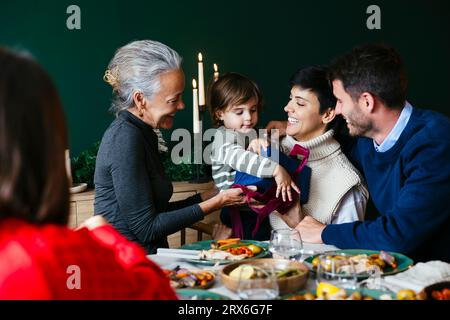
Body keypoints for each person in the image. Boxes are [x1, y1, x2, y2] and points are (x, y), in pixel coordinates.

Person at [0, 47, 176, 299]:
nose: (180, 105)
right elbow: (156, 293)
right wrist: (107, 239)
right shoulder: (59, 257)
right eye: (173, 99)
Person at [268, 44, 450, 262]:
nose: (338, 111)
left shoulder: (435, 142)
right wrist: (288, 127)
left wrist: (323, 232)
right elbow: (327, 137)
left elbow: (398, 234)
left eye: (341, 101)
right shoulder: (366, 139)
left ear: (367, 101)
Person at [94, 40, 245, 254]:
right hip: (127, 270)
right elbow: (147, 229)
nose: (182, 105)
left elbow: (157, 212)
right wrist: (218, 202)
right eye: (174, 100)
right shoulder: (125, 139)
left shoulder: (143, 131)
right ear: (140, 99)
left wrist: (208, 195)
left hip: (151, 261)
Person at [269, 66, 368, 231]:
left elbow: (348, 253)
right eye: (290, 98)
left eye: (300, 103)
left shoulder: (346, 184)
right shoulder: (268, 147)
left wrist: (298, 222)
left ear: (328, 114)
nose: (287, 108)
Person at [208, 72, 299, 240]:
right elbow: (240, 159)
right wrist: (276, 170)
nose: (248, 117)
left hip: (254, 206)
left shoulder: (249, 133)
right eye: (239, 112)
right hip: (238, 212)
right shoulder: (223, 137)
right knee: (248, 252)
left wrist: (270, 139)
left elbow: (265, 153)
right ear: (220, 113)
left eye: (253, 109)